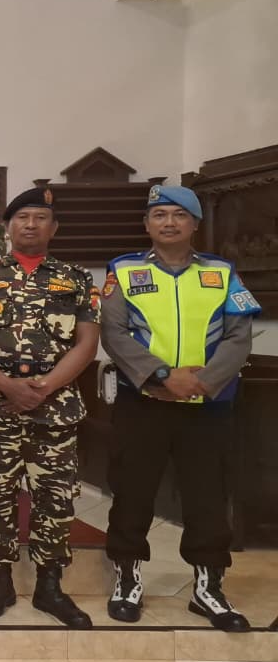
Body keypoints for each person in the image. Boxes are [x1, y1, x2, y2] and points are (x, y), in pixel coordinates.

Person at [102, 184, 260, 632]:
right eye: (159, 215)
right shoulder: (124, 270)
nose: (168, 222)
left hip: (208, 405)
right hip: (144, 401)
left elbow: (238, 337)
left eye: (179, 215)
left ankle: (208, 588)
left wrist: (201, 383)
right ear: (146, 224)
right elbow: (114, 333)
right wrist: (161, 376)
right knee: (132, 491)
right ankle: (127, 579)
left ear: (195, 223)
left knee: (208, 494)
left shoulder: (222, 273)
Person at [0, 187, 98, 628]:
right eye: (22, 217)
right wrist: (6, 385)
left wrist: (43, 388)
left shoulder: (75, 277)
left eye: (40, 218)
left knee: (55, 498)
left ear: (53, 228)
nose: (30, 224)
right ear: (7, 226)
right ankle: (0, 581)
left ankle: (50, 586)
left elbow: (87, 343)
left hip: (55, 407)